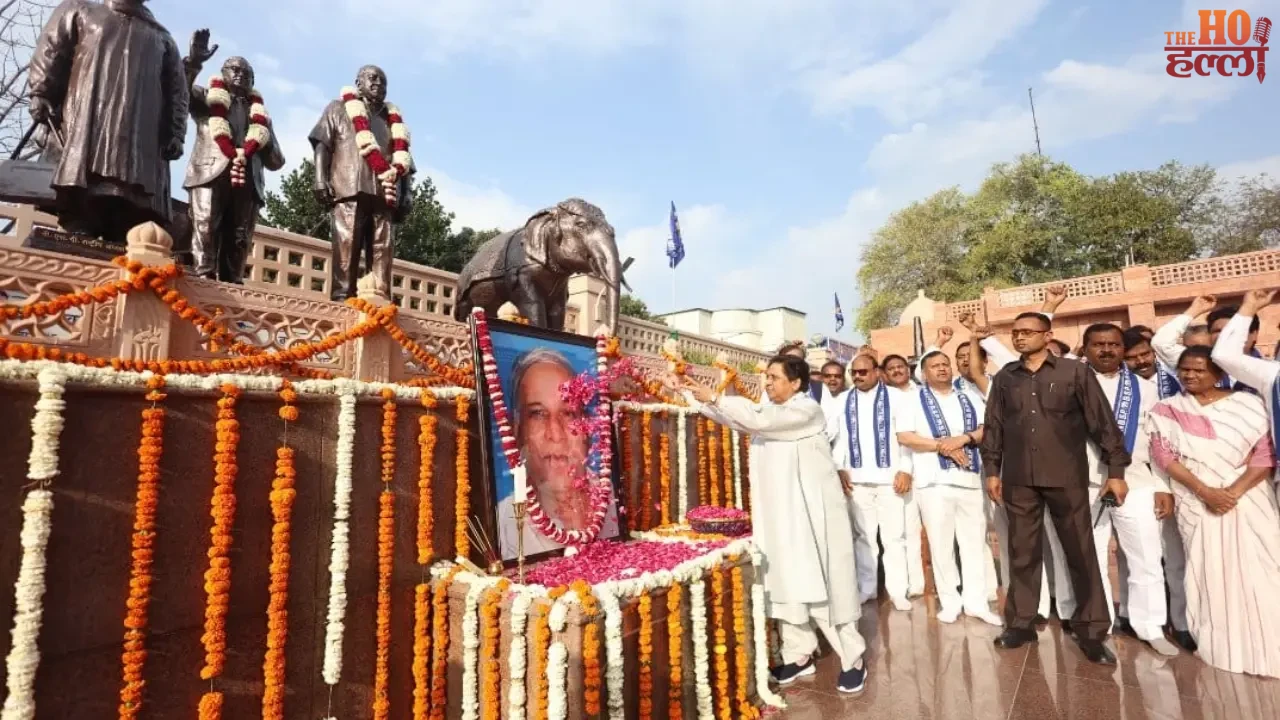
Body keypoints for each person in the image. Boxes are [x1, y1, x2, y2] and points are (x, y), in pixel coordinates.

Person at [674, 356, 868, 694]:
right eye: (766, 377)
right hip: (781, 519)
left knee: (823, 584)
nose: (767, 383)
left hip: (812, 519)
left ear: (796, 383)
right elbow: (736, 418)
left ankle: (853, 659)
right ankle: (799, 654)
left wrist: (717, 397)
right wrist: (689, 396)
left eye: (774, 377)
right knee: (786, 583)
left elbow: (758, 418)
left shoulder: (805, 410)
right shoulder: (769, 416)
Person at [982, 311, 1130, 665]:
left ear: (1047, 336)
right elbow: (994, 428)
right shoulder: (1005, 378)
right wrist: (992, 470)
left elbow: (1102, 423)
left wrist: (1116, 470)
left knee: (1080, 551)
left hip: (1066, 476)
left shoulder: (1074, 372)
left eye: (1027, 332)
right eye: (1015, 332)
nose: (1019, 338)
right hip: (1019, 479)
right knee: (1021, 552)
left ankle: (1092, 631)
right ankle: (1020, 623)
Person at [1148, 346, 1280, 678]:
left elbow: (1265, 453)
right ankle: (1223, 645)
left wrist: (1232, 492)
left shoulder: (1248, 404)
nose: (1190, 375)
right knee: (1208, 570)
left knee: (1263, 568)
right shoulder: (1167, 409)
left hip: (1249, 498)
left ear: (1219, 373)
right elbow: (1164, 457)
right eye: (1184, 370)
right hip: (1197, 500)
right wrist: (1206, 491)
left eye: (1198, 370)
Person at [1050, 324, 1179, 656]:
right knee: (1087, 558)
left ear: (1123, 348)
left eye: (1113, 344)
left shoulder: (1145, 388)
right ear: (1085, 348)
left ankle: (1150, 625)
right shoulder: (1067, 384)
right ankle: (1098, 624)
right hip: (1084, 482)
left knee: (1147, 557)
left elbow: (1159, 441)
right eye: (1098, 344)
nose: (1106, 350)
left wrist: (1162, 485)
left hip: (1136, 481)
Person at [27, 0, 188, 243]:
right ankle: (79, 222)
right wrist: (41, 92)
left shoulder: (162, 37)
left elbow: (178, 91)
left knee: (133, 195)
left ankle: (119, 229)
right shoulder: (80, 10)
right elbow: (52, 48)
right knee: (83, 179)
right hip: (87, 117)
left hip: (141, 132)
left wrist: (176, 131)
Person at [896, 350, 1002, 625]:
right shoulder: (912, 399)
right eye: (935, 366)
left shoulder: (966, 396)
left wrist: (963, 439)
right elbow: (905, 437)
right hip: (933, 482)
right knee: (941, 545)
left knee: (975, 543)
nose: (942, 369)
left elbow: (984, 427)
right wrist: (944, 446)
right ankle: (950, 601)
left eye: (945, 364)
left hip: (969, 479)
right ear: (924, 372)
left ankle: (976, 602)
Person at [496, 348, 619, 559]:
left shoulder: (613, 500)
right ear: (516, 431)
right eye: (537, 414)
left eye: (569, 413)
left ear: (589, 430)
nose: (556, 434)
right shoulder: (504, 522)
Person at [182, 39, 286, 283]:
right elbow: (179, 90)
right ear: (223, 74)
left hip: (248, 182)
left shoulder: (261, 116)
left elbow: (276, 161)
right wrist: (194, 63)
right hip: (210, 173)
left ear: (253, 80)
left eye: (246, 72)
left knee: (239, 237)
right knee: (205, 226)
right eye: (234, 69)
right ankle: (203, 277)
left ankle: (234, 283)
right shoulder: (207, 99)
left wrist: (263, 136)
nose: (240, 75)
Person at [310, 65, 415, 301]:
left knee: (382, 251)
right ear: (358, 83)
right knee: (347, 247)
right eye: (373, 78)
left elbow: (405, 160)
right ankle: (342, 298)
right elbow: (322, 145)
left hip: (385, 194)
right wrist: (320, 178)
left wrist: (407, 192)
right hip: (349, 187)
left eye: (384, 81)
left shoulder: (394, 122)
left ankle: (380, 302)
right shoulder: (338, 108)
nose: (379, 83)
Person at [1120, 328, 1193, 651]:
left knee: (1177, 559)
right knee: (1141, 556)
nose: (1139, 361)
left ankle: (1182, 621)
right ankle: (1142, 621)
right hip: (1135, 480)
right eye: (1132, 357)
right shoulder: (1123, 388)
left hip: (1179, 478)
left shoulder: (1174, 383)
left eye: (1144, 354)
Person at [828, 354, 914, 612]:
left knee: (894, 538)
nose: (857, 377)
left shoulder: (897, 397)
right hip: (857, 480)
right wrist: (840, 467)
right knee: (864, 538)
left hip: (890, 479)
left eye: (863, 372)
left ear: (877, 372)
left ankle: (898, 591)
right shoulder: (843, 400)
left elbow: (906, 436)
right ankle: (867, 588)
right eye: (854, 372)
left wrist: (905, 469)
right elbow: (838, 438)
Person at [880, 353, 926, 596]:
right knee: (906, 529)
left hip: (928, 466)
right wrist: (904, 469)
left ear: (909, 370)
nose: (897, 371)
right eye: (891, 368)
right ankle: (911, 583)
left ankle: (931, 582)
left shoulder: (921, 392)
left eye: (901, 367)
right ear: (884, 374)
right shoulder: (884, 399)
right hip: (901, 470)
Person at [1153, 296, 1260, 393]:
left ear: (1253, 334)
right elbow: (1161, 342)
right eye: (1217, 331)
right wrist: (1194, 310)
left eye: (1232, 331)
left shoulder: (1270, 370)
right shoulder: (1200, 362)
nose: (1224, 336)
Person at [1123, 328, 1182, 400]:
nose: (1141, 361)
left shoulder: (1178, 376)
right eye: (1131, 358)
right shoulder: (1119, 387)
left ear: (1154, 352)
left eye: (1145, 354)